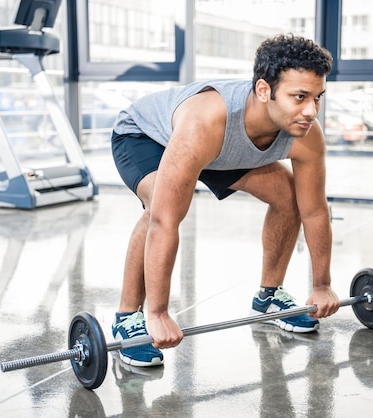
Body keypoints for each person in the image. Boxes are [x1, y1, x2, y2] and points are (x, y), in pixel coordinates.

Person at [110, 33, 341, 367]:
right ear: (265, 91)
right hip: (146, 137)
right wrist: (159, 313)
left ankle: (269, 296)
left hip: (217, 150)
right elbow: (164, 221)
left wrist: (322, 285)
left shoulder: (305, 133)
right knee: (160, 205)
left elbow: (315, 211)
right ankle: (128, 317)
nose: (310, 110)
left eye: (318, 97)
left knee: (289, 196)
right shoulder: (205, 120)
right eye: (300, 97)